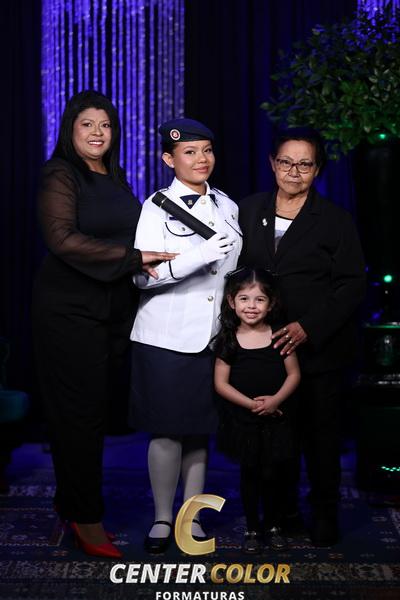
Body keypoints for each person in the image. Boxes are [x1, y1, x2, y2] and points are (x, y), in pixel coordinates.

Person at [32, 90, 175, 558]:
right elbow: (62, 240)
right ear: (70, 130)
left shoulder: (114, 177)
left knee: (92, 415)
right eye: (87, 124)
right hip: (69, 312)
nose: (97, 132)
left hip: (111, 312)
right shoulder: (60, 173)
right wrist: (135, 257)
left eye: (106, 124)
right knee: (78, 418)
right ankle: (85, 517)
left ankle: (72, 504)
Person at [238, 128, 366, 546]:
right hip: (263, 349)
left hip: (319, 350)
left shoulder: (334, 220)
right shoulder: (247, 210)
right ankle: (284, 511)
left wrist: (308, 326)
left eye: (304, 164)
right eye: (286, 162)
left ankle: (325, 511)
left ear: (317, 170)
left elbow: (351, 284)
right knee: (276, 437)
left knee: (321, 437)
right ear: (272, 164)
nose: (294, 172)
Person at [130, 118, 242, 553]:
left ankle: (190, 517)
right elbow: (142, 279)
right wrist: (197, 256)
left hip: (214, 338)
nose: (201, 159)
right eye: (190, 152)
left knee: (199, 432)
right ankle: (162, 518)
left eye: (207, 150)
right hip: (165, 336)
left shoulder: (227, 206)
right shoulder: (155, 207)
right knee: (166, 432)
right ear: (168, 159)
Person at [214, 267, 301, 553]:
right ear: (232, 302)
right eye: (244, 299)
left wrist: (275, 401)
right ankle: (252, 527)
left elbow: (294, 374)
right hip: (245, 422)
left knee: (275, 474)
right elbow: (221, 384)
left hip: (277, 420)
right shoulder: (228, 339)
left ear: (271, 303)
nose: (251, 306)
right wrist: (252, 404)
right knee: (250, 474)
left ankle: (274, 525)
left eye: (259, 299)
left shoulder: (279, 335)